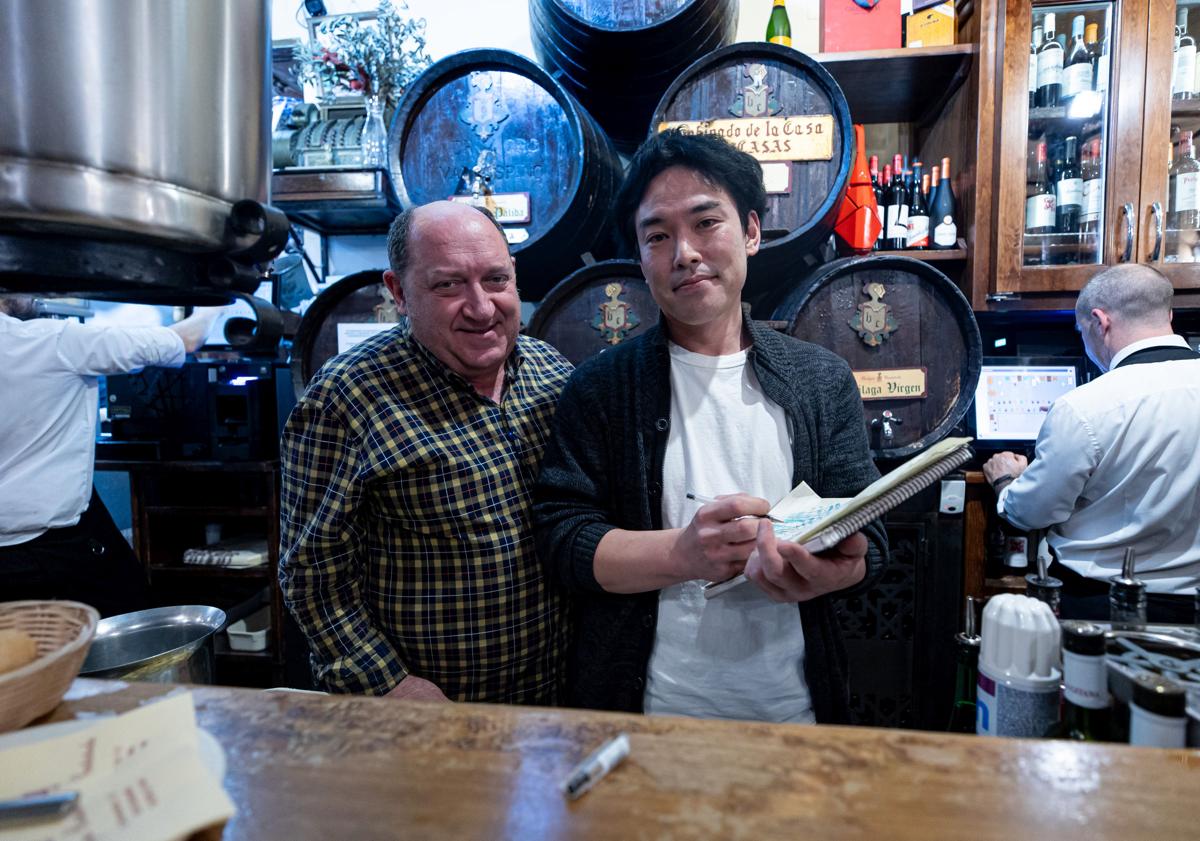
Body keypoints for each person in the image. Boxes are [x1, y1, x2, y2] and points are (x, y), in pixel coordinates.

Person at [533, 130, 888, 724]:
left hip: (795, 712)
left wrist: (832, 569)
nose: (685, 252)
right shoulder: (601, 386)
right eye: (657, 236)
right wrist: (685, 552)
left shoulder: (820, 380)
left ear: (750, 231)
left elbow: (867, 536)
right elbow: (562, 539)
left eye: (705, 223)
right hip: (647, 717)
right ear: (641, 259)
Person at [279, 201, 573, 703]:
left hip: (559, 694)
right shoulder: (345, 398)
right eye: (448, 285)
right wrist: (387, 683)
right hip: (432, 708)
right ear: (398, 292)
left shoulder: (551, 371)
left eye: (495, 280)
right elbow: (312, 571)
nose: (481, 307)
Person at [982, 265, 1200, 622]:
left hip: (1101, 605)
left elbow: (1029, 513)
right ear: (1168, 315)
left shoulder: (1086, 407)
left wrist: (1008, 480)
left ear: (1100, 322)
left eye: (1082, 331)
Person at [0, 295, 219, 617]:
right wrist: (219, 303)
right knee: (130, 623)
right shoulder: (52, 340)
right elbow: (186, 339)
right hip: (52, 546)